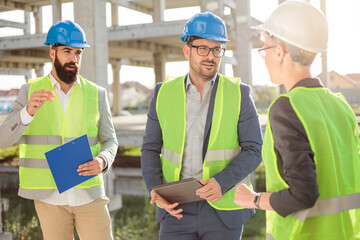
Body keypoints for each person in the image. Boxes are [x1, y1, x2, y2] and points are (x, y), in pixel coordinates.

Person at [233, 1, 360, 239]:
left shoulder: (286, 107)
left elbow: (303, 194)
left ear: (280, 52)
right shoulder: (341, 106)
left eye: (264, 49)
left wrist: (253, 199)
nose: (264, 57)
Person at [141, 12, 262, 240]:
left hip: (223, 208)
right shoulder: (163, 92)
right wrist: (156, 190)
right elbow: (149, 148)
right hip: (176, 210)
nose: (211, 56)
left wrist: (221, 183)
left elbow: (254, 149)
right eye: (203, 49)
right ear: (187, 50)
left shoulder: (239, 93)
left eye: (217, 49)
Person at [0, 20, 118, 240]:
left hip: (89, 195)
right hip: (49, 199)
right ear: (52, 52)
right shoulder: (29, 91)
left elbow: (110, 140)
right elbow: (3, 139)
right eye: (66, 51)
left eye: (78, 52)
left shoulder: (97, 94)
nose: (73, 58)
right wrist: (27, 112)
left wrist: (102, 160)